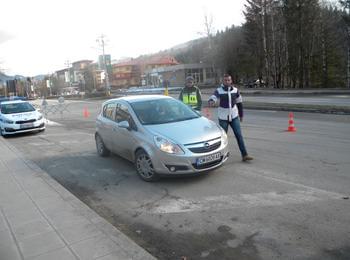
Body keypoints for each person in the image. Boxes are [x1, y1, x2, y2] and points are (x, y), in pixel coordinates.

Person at [208, 73, 253, 162]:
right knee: (223, 137)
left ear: (231, 81)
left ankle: (245, 155)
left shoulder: (235, 91)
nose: (227, 81)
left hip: (234, 116)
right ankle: (220, 156)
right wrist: (211, 101)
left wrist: (241, 115)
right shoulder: (219, 90)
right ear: (223, 81)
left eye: (229, 80)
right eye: (225, 80)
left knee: (239, 135)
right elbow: (214, 97)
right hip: (223, 117)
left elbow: (240, 103)